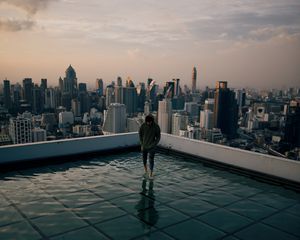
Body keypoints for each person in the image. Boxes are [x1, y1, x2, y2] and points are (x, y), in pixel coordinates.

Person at [139, 114, 161, 179]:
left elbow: (158, 137)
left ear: (152, 121)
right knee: (144, 159)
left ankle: (151, 174)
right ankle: (146, 171)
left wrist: (154, 144)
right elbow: (140, 134)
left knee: (151, 160)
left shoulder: (156, 127)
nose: (148, 123)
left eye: (149, 122)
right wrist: (141, 144)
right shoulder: (143, 125)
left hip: (152, 147)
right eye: (147, 122)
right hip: (144, 146)